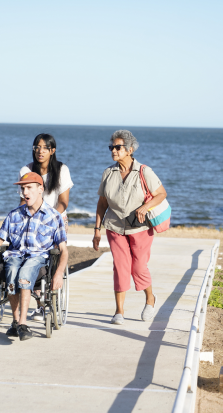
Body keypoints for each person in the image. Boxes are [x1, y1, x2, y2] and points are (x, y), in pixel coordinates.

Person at [0, 172, 68, 341]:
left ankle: (22, 323)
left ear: (40, 189)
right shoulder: (14, 215)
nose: (25, 193)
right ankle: (15, 322)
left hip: (38, 258)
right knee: (12, 271)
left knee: (25, 273)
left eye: (29, 188)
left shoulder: (53, 216)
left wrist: (59, 274)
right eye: (22, 189)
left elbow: (64, 250)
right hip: (15, 255)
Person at [92, 130, 167, 325]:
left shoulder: (144, 171)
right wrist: (97, 230)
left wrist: (144, 207)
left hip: (140, 228)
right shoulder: (108, 173)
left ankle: (150, 299)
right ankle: (119, 311)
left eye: (118, 147)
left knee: (139, 266)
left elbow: (161, 194)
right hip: (114, 227)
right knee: (121, 267)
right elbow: (102, 203)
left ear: (130, 150)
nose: (113, 151)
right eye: (111, 147)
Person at [19, 133, 73, 321]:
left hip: (56, 218)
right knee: (29, 252)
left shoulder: (62, 169)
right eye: (36, 147)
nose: (39, 151)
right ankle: (40, 302)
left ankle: (52, 290)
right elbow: (23, 200)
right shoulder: (26, 170)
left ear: (52, 150)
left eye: (44, 148)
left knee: (54, 253)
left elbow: (63, 202)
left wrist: (49, 218)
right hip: (33, 219)